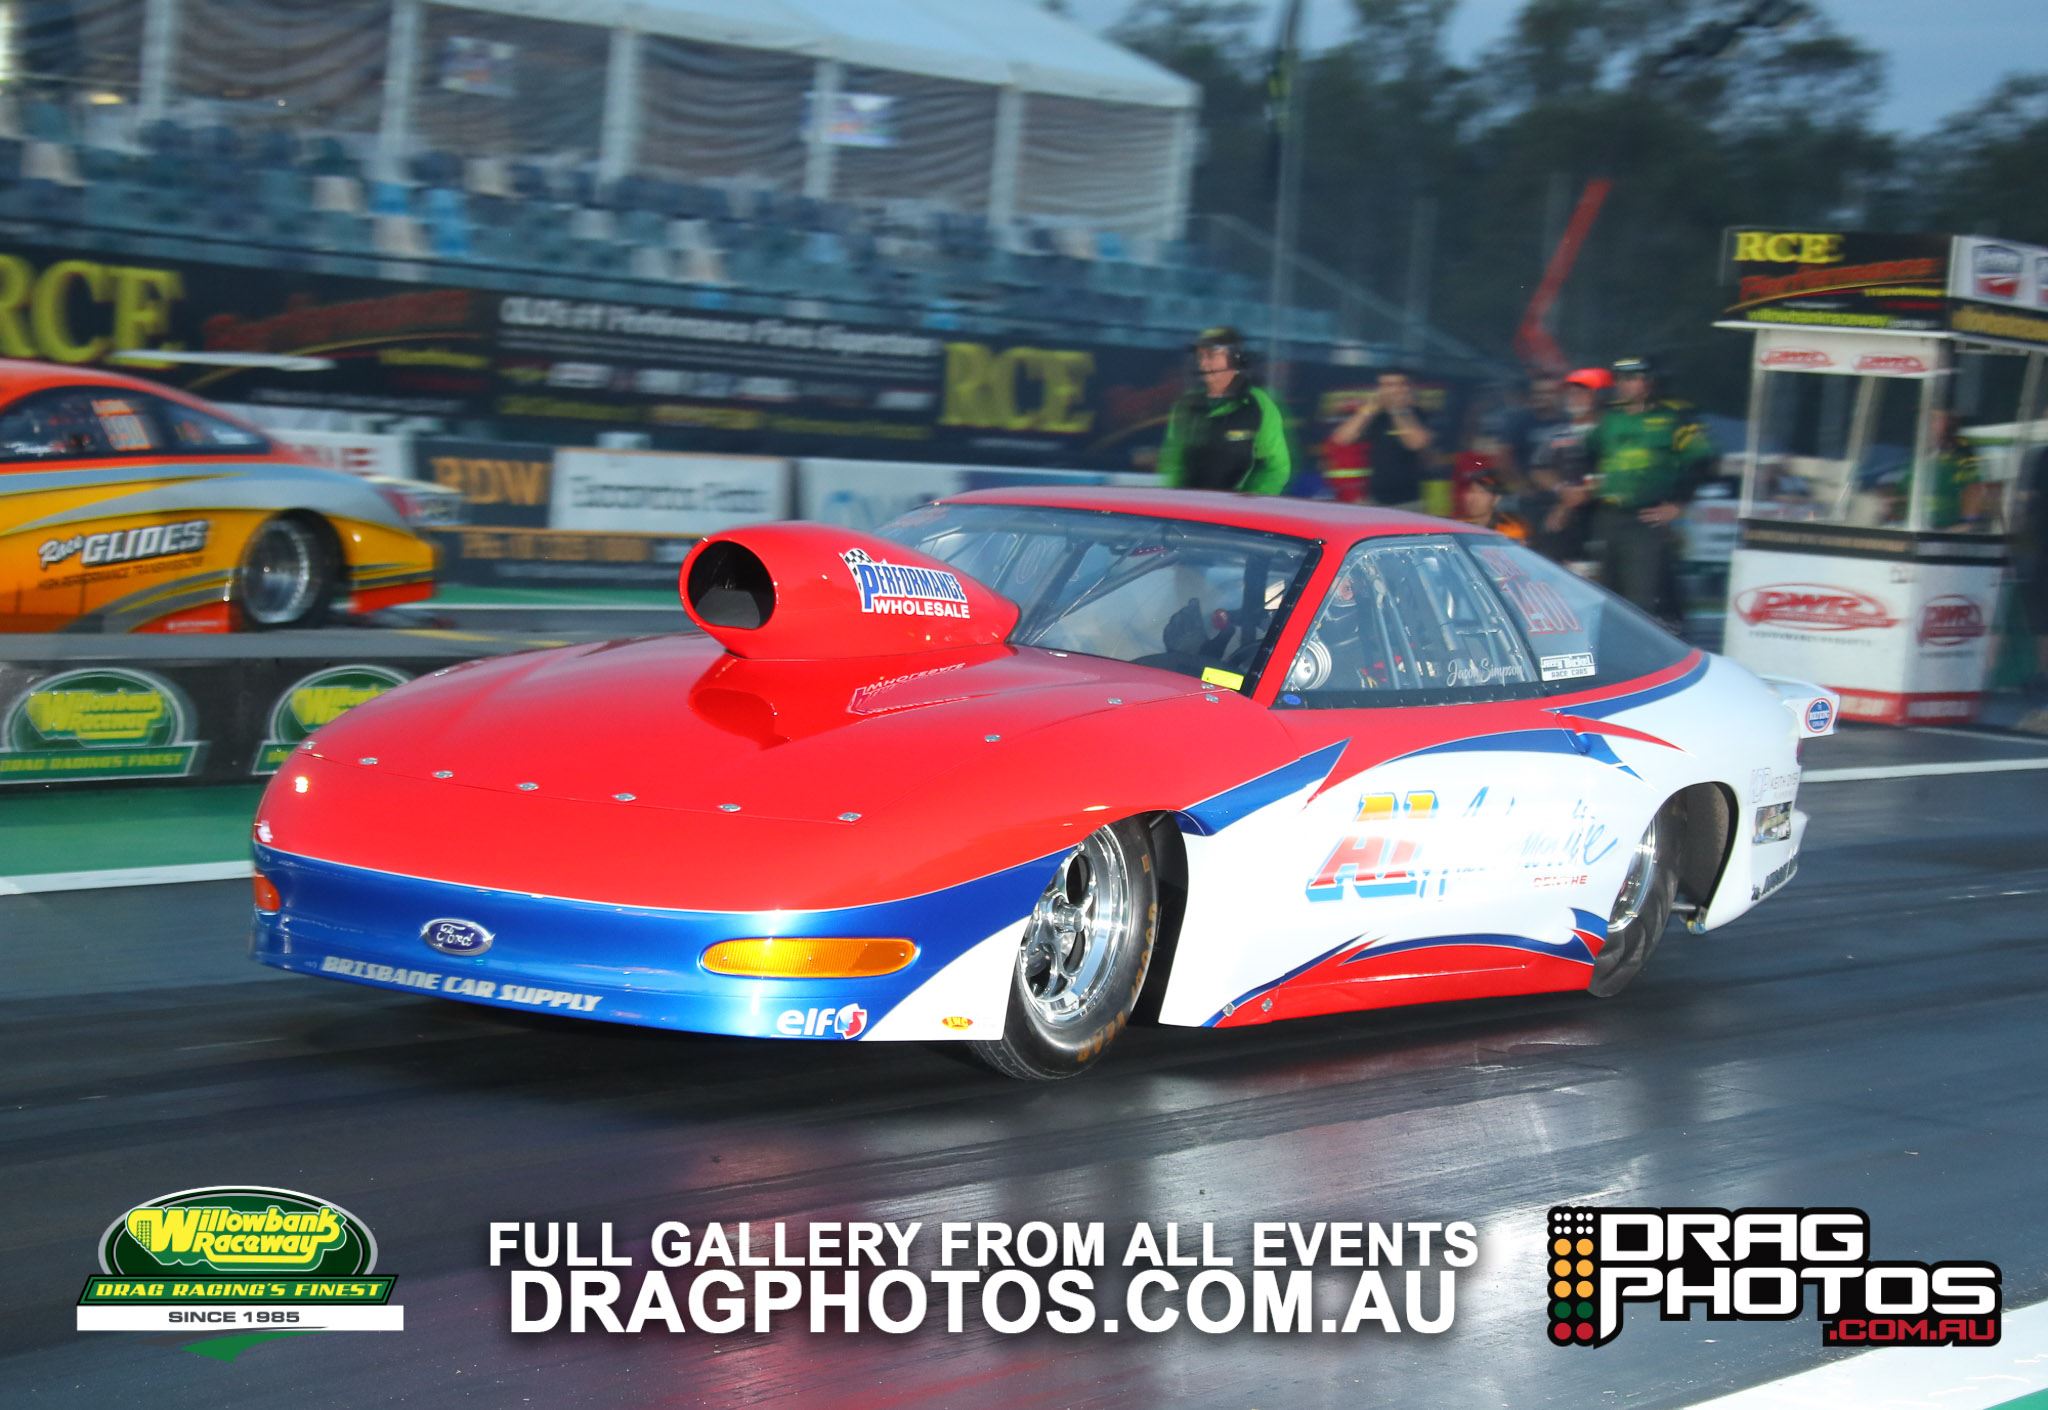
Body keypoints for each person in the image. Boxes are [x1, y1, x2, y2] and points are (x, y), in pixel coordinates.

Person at [1584, 355, 1716, 622]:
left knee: (1641, 599)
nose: (1625, 384)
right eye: (1621, 379)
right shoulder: (1610, 418)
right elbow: (1588, 454)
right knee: (1604, 595)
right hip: (1608, 516)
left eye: (1633, 378)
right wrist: (1591, 482)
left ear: (1649, 382)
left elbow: (1702, 461)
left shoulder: (1673, 417)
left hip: (1645, 519)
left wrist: (1679, 503)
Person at [1157, 327, 1292, 495]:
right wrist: (1175, 499)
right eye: (1200, 356)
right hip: (1191, 507)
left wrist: (1250, 502)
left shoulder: (1258, 405)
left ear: (1234, 358)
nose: (1203, 364)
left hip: (1233, 510)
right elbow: (1173, 463)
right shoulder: (1186, 405)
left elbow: (1275, 467)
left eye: (1211, 356)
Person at [1528, 366, 1612, 562]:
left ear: (1598, 397)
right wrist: (1561, 489)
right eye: (1571, 394)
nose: (1574, 398)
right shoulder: (1557, 433)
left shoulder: (1610, 431)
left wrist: (1573, 499)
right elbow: (1538, 469)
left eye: (1582, 393)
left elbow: (1613, 470)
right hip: (1563, 523)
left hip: (1602, 519)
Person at [1325, 369, 1435, 510]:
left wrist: (1397, 410)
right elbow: (1342, 439)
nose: (1389, 391)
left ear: (1406, 388)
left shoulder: (1417, 413)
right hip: (1376, 500)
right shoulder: (1375, 415)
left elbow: (1416, 443)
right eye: (1384, 385)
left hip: (1409, 501)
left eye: (1394, 385)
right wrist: (1369, 409)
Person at [1457, 467, 1529, 542]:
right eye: (1471, 491)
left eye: (1482, 493)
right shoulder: (1457, 526)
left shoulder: (1510, 531)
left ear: (1496, 499)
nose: (1474, 498)